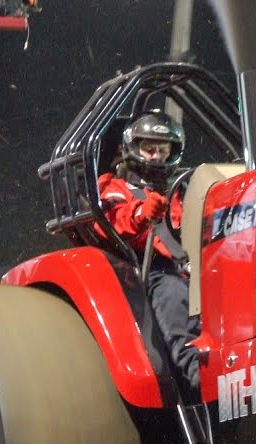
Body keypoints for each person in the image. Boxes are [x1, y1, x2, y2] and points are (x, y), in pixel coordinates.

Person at [97, 111, 202, 398]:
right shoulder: (113, 186)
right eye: (149, 149)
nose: (156, 156)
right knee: (174, 295)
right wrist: (142, 213)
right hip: (150, 269)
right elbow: (112, 223)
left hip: (194, 266)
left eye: (163, 150)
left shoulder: (182, 188)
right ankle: (197, 371)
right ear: (132, 148)